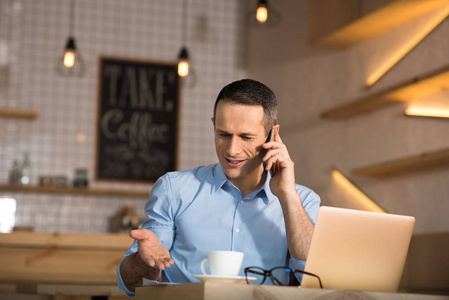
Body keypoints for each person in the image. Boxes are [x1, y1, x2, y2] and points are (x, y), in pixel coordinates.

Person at [117, 79, 320, 295]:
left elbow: (317, 281)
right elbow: (130, 286)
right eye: (223, 134)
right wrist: (143, 261)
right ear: (213, 125)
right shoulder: (173, 189)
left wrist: (288, 196)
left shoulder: (303, 201)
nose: (232, 150)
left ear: (272, 134)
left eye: (246, 137)